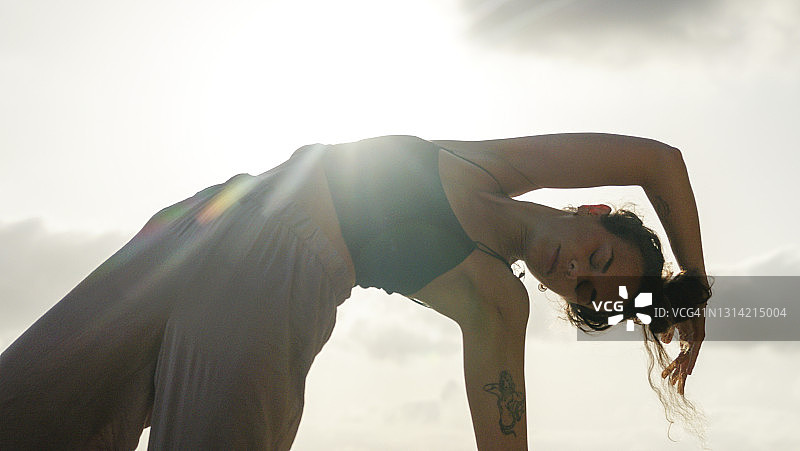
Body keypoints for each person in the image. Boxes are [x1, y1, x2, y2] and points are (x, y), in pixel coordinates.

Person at [0, 133, 711, 450]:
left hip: (273, 288)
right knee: (24, 409)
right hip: (200, 226)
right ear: (591, 212)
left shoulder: (498, 301)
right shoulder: (501, 161)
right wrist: (693, 289)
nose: (572, 268)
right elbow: (660, 160)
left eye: (583, 286)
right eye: (595, 254)